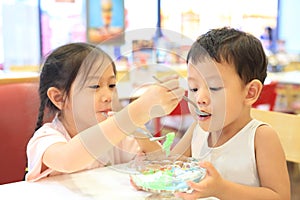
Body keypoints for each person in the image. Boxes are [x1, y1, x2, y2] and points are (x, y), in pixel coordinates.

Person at [26, 42, 184, 182]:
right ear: (59, 98)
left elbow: (160, 163)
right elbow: (68, 159)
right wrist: (132, 114)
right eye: (95, 86)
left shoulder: (117, 133)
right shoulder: (44, 139)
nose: (108, 96)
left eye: (111, 85)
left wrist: (139, 128)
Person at [171, 27, 290, 199]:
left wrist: (222, 189)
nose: (199, 98)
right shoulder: (196, 131)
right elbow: (168, 168)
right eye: (193, 88)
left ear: (250, 93)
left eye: (214, 87)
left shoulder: (261, 137)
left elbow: (280, 197)